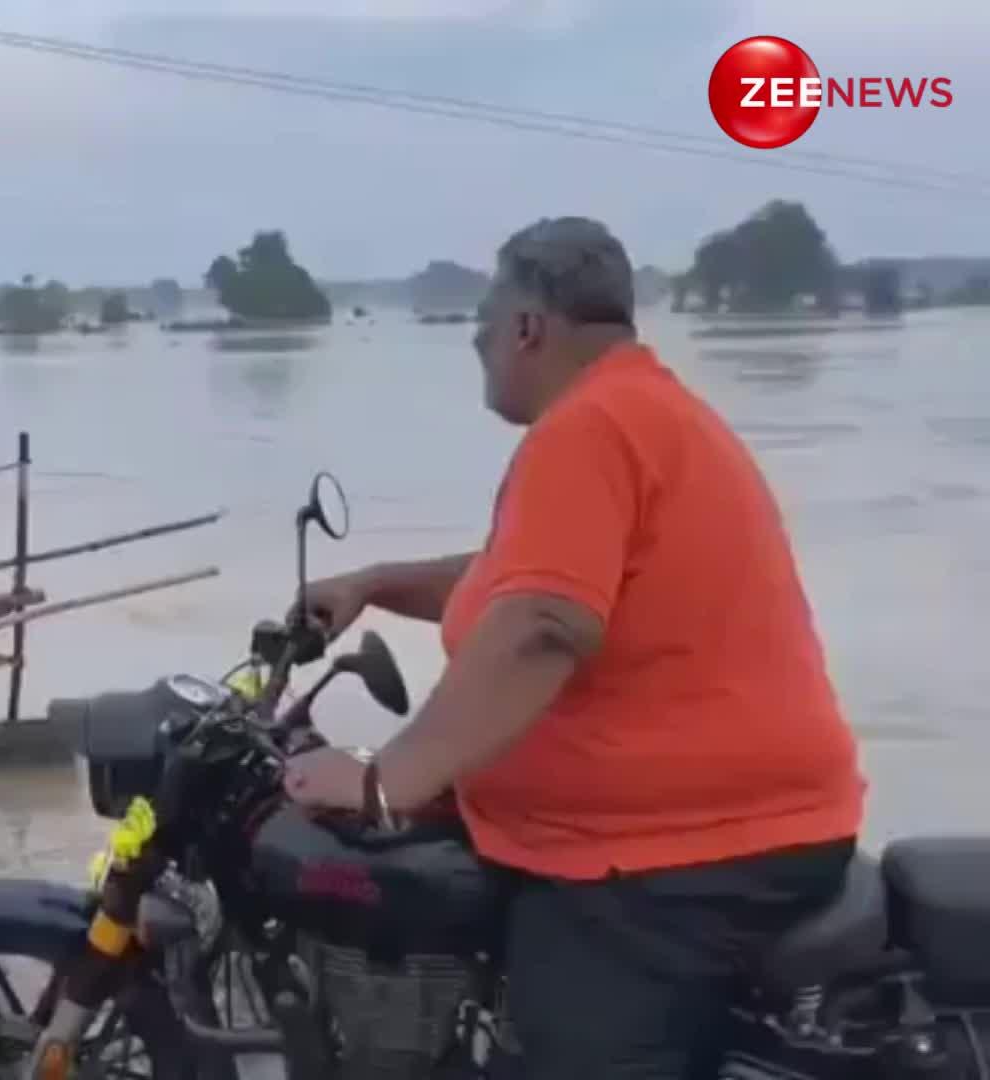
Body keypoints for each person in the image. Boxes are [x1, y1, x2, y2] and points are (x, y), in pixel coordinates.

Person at [281, 217, 864, 1078]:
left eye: (484, 315)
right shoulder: (640, 409)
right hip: (709, 828)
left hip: (683, 856)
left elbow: (543, 625)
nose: (473, 337)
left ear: (527, 327)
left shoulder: (589, 428)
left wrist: (385, 781)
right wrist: (374, 584)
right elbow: (520, 581)